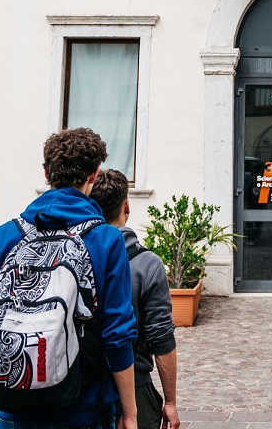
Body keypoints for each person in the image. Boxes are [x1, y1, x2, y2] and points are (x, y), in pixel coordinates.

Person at [0, 128, 139, 429]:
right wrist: (129, 412)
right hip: (84, 414)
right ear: (94, 176)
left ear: (46, 174)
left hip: (15, 412)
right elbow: (117, 335)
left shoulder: (5, 236)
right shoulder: (106, 241)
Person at [90, 168, 181, 429]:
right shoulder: (147, 264)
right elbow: (162, 338)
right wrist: (170, 402)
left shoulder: (74, 253)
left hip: (81, 387)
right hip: (135, 386)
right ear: (126, 207)